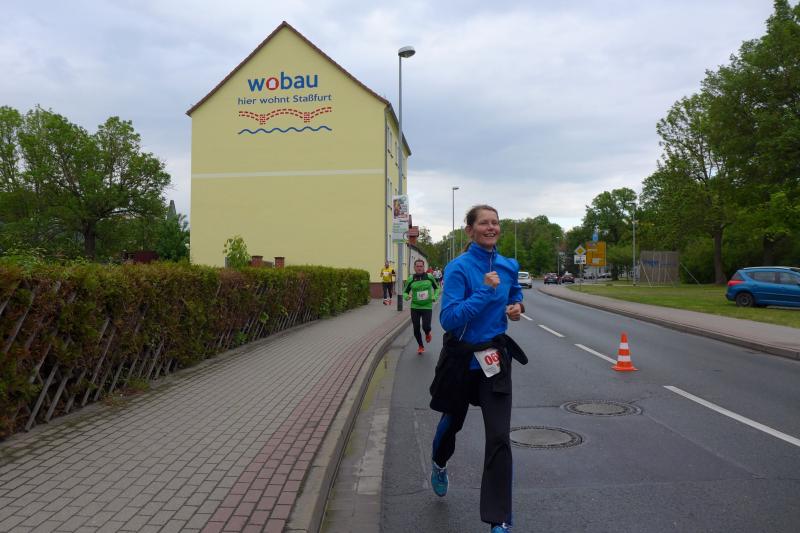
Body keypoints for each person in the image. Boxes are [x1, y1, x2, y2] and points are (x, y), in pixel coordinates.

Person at [428, 205, 527, 533]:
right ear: (470, 230)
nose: (491, 227)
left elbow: (515, 295)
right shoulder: (458, 268)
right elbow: (449, 319)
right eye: (484, 223)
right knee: (452, 423)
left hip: (494, 359)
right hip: (461, 360)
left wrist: (517, 307)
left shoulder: (509, 265)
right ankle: (439, 462)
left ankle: (499, 520)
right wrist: (485, 291)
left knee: (499, 436)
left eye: (495, 222)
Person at [404, 259, 441, 354]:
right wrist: (406, 297)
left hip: (427, 306)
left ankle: (427, 333)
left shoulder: (429, 277)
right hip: (415, 307)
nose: (419, 268)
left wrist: (435, 296)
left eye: (421, 266)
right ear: (414, 267)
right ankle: (420, 346)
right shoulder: (411, 279)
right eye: (417, 266)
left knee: (426, 326)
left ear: (424, 267)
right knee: (416, 328)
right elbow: (405, 292)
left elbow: (437, 288)